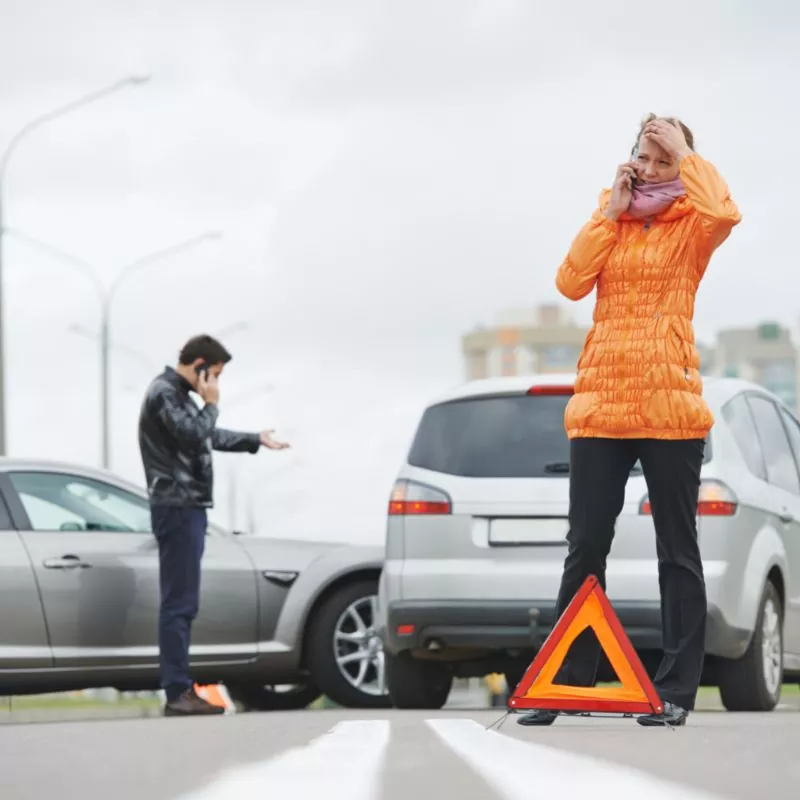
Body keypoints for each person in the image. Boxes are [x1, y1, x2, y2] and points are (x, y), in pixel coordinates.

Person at [517, 114, 741, 728]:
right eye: (642, 155)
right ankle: (569, 683)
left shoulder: (694, 223)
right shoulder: (611, 218)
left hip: (669, 409)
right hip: (600, 406)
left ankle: (675, 690)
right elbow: (569, 283)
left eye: (662, 158)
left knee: (678, 549)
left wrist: (686, 157)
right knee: (585, 544)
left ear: (684, 166)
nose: (647, 167)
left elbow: (726, 213)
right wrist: (608, 214)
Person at [138, 334, 290, 716]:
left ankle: (180, 689)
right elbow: (193, 434)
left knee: (183, 603)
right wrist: (211, 404)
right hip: (176, 506)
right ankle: (177, 692)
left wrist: (255, 439)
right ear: (200, 365)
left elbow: (207, 436)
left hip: (186, 506)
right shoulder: (164, 393)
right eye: (215, 374)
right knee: (179, 604)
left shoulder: (178, 397)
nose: (217, 384)